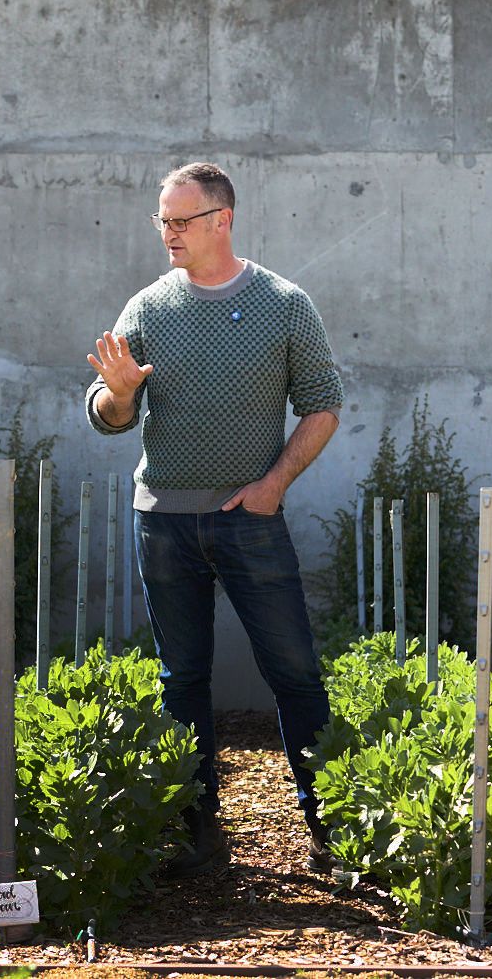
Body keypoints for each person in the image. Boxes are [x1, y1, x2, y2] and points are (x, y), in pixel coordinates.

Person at [85, 161, 343, 878]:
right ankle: (197, 832)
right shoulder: (148, 307)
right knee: (181, 677)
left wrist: (273, 484)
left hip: (249, 520)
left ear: (222, 220)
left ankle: (331, 825)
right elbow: (108, 415)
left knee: (293, 671)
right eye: (162, 220)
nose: (168, 232)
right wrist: (120, 395)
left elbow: (323, 402)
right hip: (162, 521)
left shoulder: (284, 303)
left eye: (180, 220)